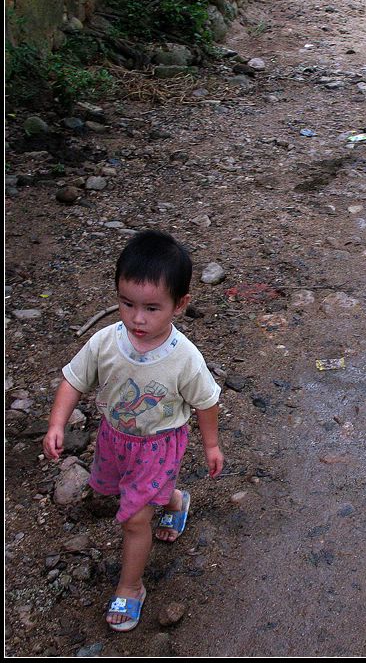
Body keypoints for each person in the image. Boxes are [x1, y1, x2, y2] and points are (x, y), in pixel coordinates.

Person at [43, 230, 224, 631]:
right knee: (129, 492)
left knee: (134, 518)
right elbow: (74, 379)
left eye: (152, 308)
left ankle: (130, 587)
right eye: (127, 304)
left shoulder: (184, 359)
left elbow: (206, 401)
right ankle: (176, 502)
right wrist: (58, 423)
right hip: (114, 438)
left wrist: (211, 445)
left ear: (180, 304)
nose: (137, 318)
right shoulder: (105, 342)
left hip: (159, 444)